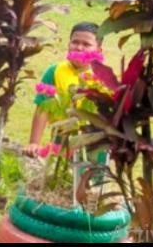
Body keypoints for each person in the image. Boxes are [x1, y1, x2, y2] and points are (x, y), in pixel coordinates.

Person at [23, 22, 104, 157]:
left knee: (91, 177)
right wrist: (34, 142)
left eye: (86, 44)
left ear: (98, 50)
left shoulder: (102, 78)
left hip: (94, 145)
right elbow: (42, 108)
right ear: (68, 44)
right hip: (60, 140)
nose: (79, 47)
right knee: (59, 176)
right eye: (75, 42)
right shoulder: (54, 71)